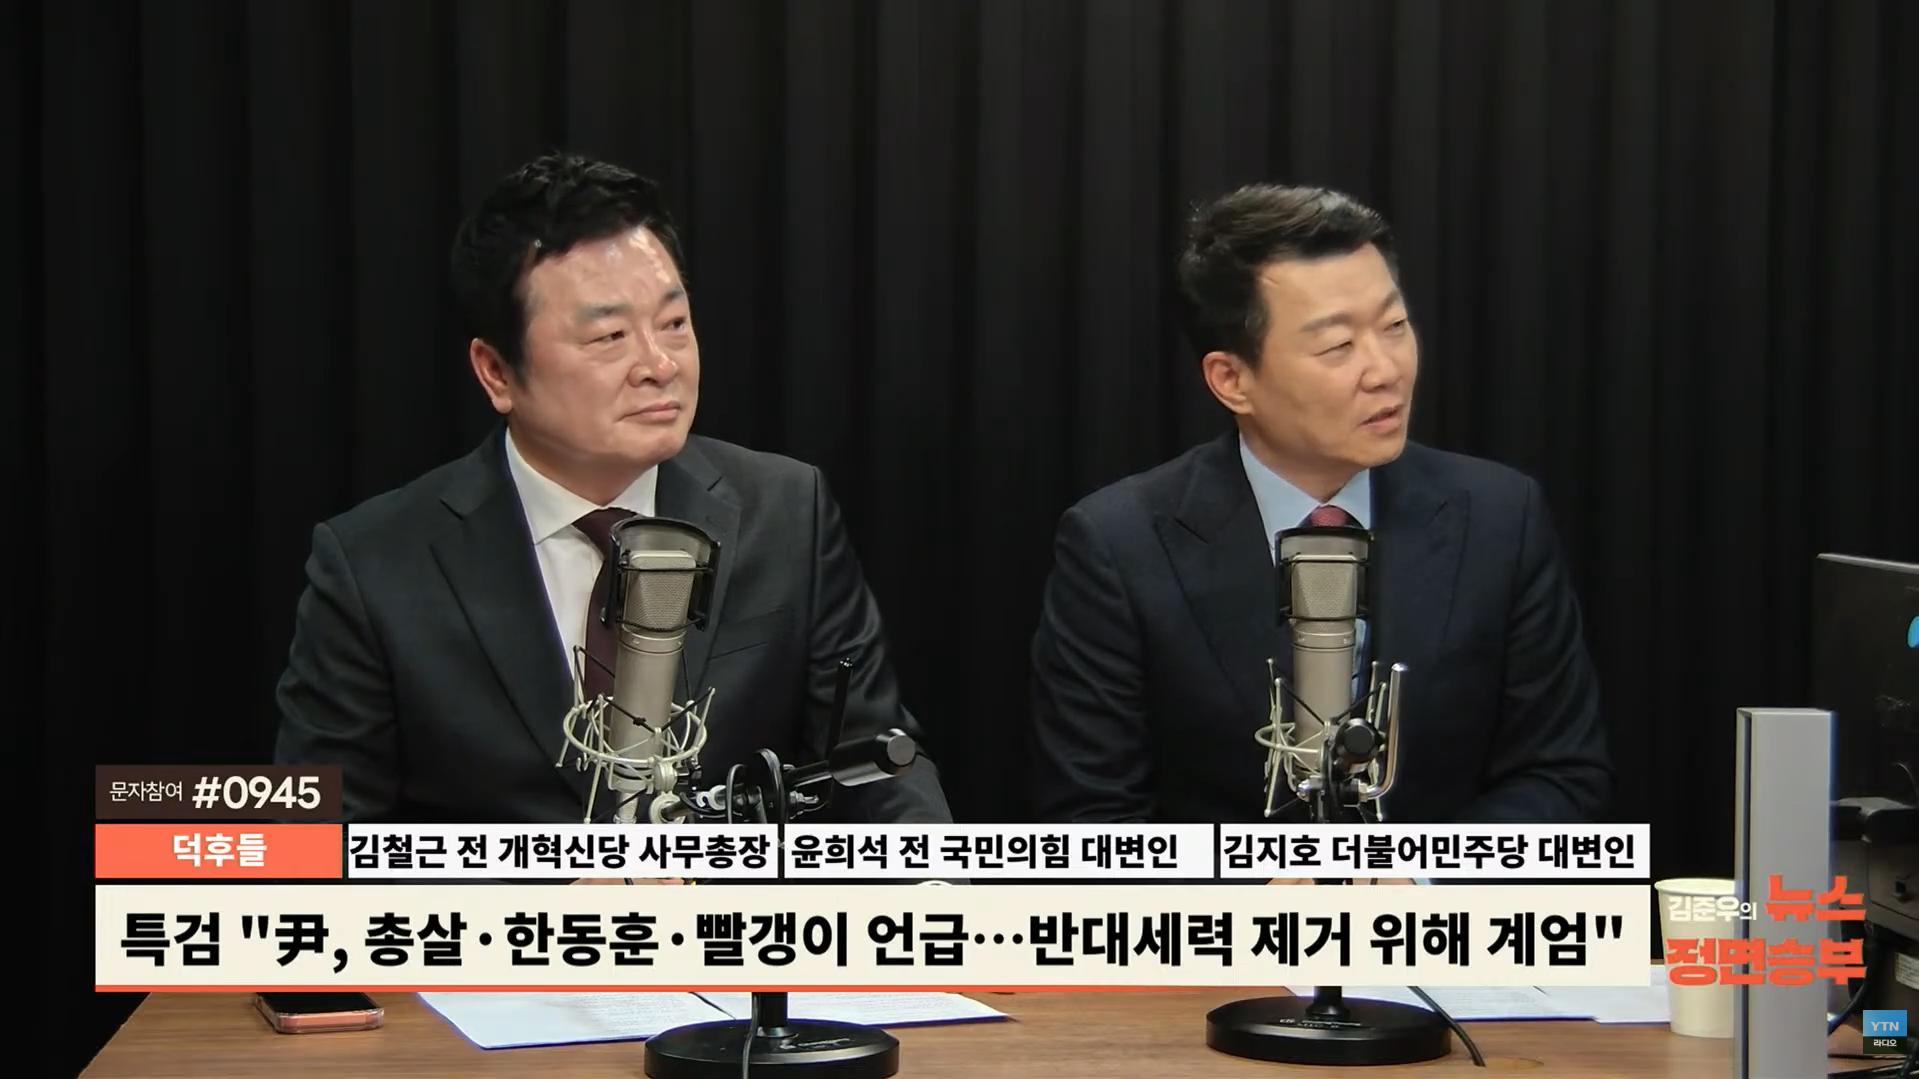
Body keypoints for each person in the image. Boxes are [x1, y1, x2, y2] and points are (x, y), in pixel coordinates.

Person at [273, 151, 951, 830]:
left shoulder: (786, 511)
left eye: (674, 323)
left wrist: (935, 880)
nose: (658, 365)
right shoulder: (374, 565)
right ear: (496, 372)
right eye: (609, 336)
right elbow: (310, 837)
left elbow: (879, 760)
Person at [1028, 182, 1610, 827]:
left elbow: (1561, 775)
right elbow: (1092, 817)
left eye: (1394, 326)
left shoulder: (1500, 517)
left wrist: (1416, 872)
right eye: (1337, 347)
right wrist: (1261, 877)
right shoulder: (1119, 545)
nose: (1385, 370)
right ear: (1232, 380)